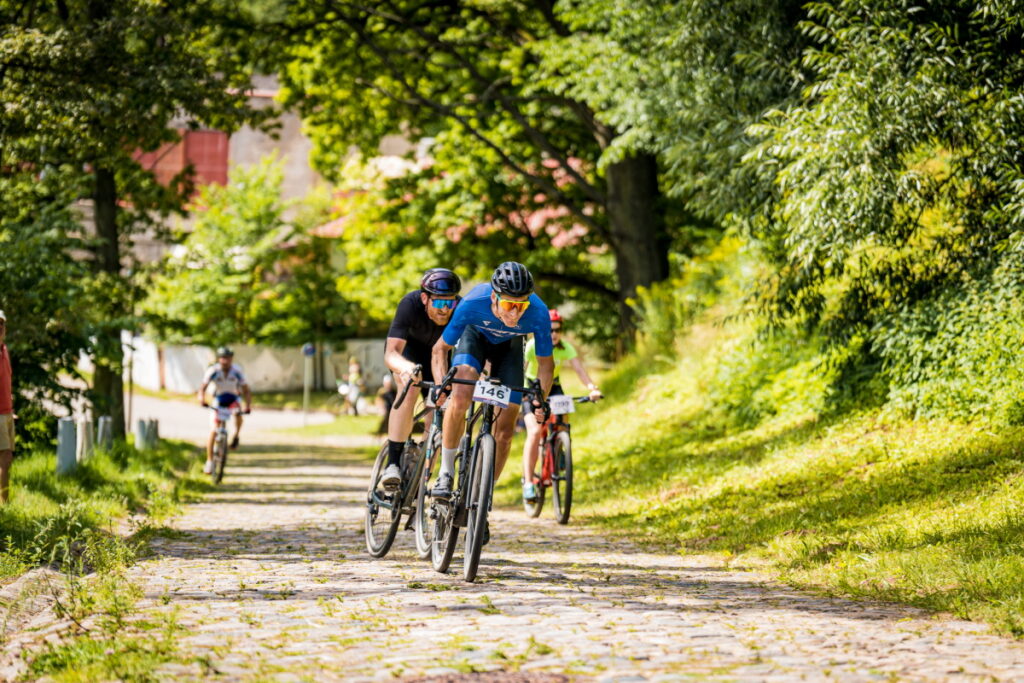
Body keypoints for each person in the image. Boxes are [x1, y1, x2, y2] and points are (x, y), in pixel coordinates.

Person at [431, 262, 554, 510]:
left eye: (522, 306)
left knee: (506, 430)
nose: (515, 314)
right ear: (494, 298)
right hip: (474, 338)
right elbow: (439, 349)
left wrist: (541, 399)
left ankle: (484, 497)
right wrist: (441, 385)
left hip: (509, 348)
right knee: (461, 396)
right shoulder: (473, 302)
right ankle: (445, 472)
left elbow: (546, 365)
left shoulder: (539, 313)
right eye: (509, 305)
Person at [380, 267, 461, 488]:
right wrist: (405, 368)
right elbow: (391, 352)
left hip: (441, 357)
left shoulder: (461, 309)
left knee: (441, 405)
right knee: (410, 387)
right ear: (425, 298)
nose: (445, 310)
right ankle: (393, 463)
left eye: (450, 303)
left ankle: (423, 475)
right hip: (409, 354)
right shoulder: (410, 305)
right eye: (439, 303)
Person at [521, 308, 603, 501]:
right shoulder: (532, 346)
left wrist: (592, 388)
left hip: (554, 387)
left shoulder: (566, 347)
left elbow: (580, 370)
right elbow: (521, 369)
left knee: (563, 421)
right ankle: (528, 482)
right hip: (532, 387)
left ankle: (560, 447)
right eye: (550, 330)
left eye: (557, 330)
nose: (554, 334)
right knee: (534, 432)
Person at [198, 346, 251, 474]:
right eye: (223, 358)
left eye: (227, 358)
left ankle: (236, 436)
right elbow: (202, 388)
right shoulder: (213, 370)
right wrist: (201, 399)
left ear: (231, 359)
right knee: (214, 430)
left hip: (233, 399)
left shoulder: (237, 371)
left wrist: (248, 405)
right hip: (219, 399)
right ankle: (209, 462)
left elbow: (245, 389)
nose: (225, 361)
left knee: (238, 414)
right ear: (219, 359)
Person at [0, 311, 13, 505]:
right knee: (4, 457)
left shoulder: (4, 349)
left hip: (7, 412)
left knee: (7, 458)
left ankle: (6, 503)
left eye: (1, 324)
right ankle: (4, 504)